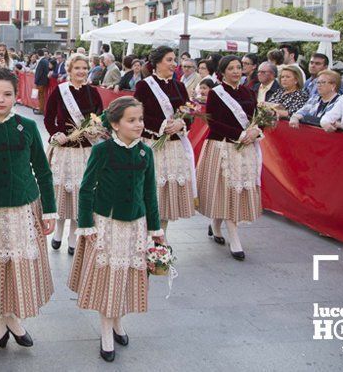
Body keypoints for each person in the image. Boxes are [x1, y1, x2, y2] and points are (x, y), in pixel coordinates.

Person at [0, 68, 57, 356]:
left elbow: (42, 169)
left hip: (23, 210)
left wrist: (49, 210)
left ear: (17, 96)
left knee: (15, 269)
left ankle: (12, 321)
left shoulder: (27, 127)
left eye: (7, 94)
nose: (0, 100)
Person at [68, 96, 164, 363]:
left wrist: (155, 229)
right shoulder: (102, 151)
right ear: (114, 124)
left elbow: (149, 193)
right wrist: (85, 224)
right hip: (107, 225)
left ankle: (118, 322)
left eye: (140, 119)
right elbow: (86, 189)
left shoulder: (146, 152)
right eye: (131, 120)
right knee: (108, 277)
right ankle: (105, 331)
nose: (138, 125)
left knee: (125, 276)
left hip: (136, 225)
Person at [197, 55, 262, 261]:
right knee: (226, 190)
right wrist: (240, 135)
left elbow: (257, 117)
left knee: (235, 190)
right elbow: (213, 122)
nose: (236, 71)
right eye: (231, 68)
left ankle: (216, 225)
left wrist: (255, 131)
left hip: (245, 149)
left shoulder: (248, 91)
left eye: (238, 67)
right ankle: (234, 239)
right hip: (223, 146)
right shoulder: (216, 93)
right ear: (222, 72)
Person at [44, 53, 104, 254]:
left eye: (85, 68)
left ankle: (73, 235)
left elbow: (99, 118)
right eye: (77, 68)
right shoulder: (60, 91)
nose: (81, 72)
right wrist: (55, 134)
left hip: (85, 151)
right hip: (64, 150)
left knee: (81, 192)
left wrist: (94, 130)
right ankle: (58, 231)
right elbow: (48, 118)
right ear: (69, 70)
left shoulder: (93, 93)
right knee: (62, 192)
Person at [134, 46, 197, 231]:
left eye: (173, 60)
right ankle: (147, 233)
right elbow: (138, 115)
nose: (173, 64)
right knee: (153, 191)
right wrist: (162, 125)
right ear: (157, 63)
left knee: (167, 194)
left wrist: (181, 124)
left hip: (174, 146)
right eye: (169, 60)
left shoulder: (179, 86)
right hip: (153, 145)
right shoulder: (144, 85)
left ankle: (161, 234)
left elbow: (188, 113)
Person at [32, 49, 52, 114]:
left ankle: (41, 110)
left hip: (41, 82)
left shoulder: (42, 61)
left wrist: (36, 81)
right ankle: (41, 108)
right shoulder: (45, 60)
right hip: (44, 81)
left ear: (37, 54)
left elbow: (39, 72)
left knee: (41, 96)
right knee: (42, 96)